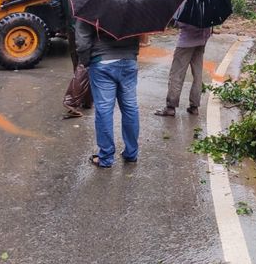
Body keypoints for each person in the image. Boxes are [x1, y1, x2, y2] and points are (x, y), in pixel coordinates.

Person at [76, 19, 140, 168]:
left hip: (102, 61)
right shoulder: (134, 4)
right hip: (129, 61)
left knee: (104, 109)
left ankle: (105, 157)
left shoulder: (91, 5)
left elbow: (82, 41)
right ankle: (131, 154)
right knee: (130, 107)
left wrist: (85, 62)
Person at [154, 21, 212, 117]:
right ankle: (194, 106)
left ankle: (170, 107)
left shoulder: (186, 6)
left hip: (185, 43)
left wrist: (175, 22)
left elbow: (179, 23)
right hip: (201, 42)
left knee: (176, 75)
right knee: (197, 75)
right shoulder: (207, 7)